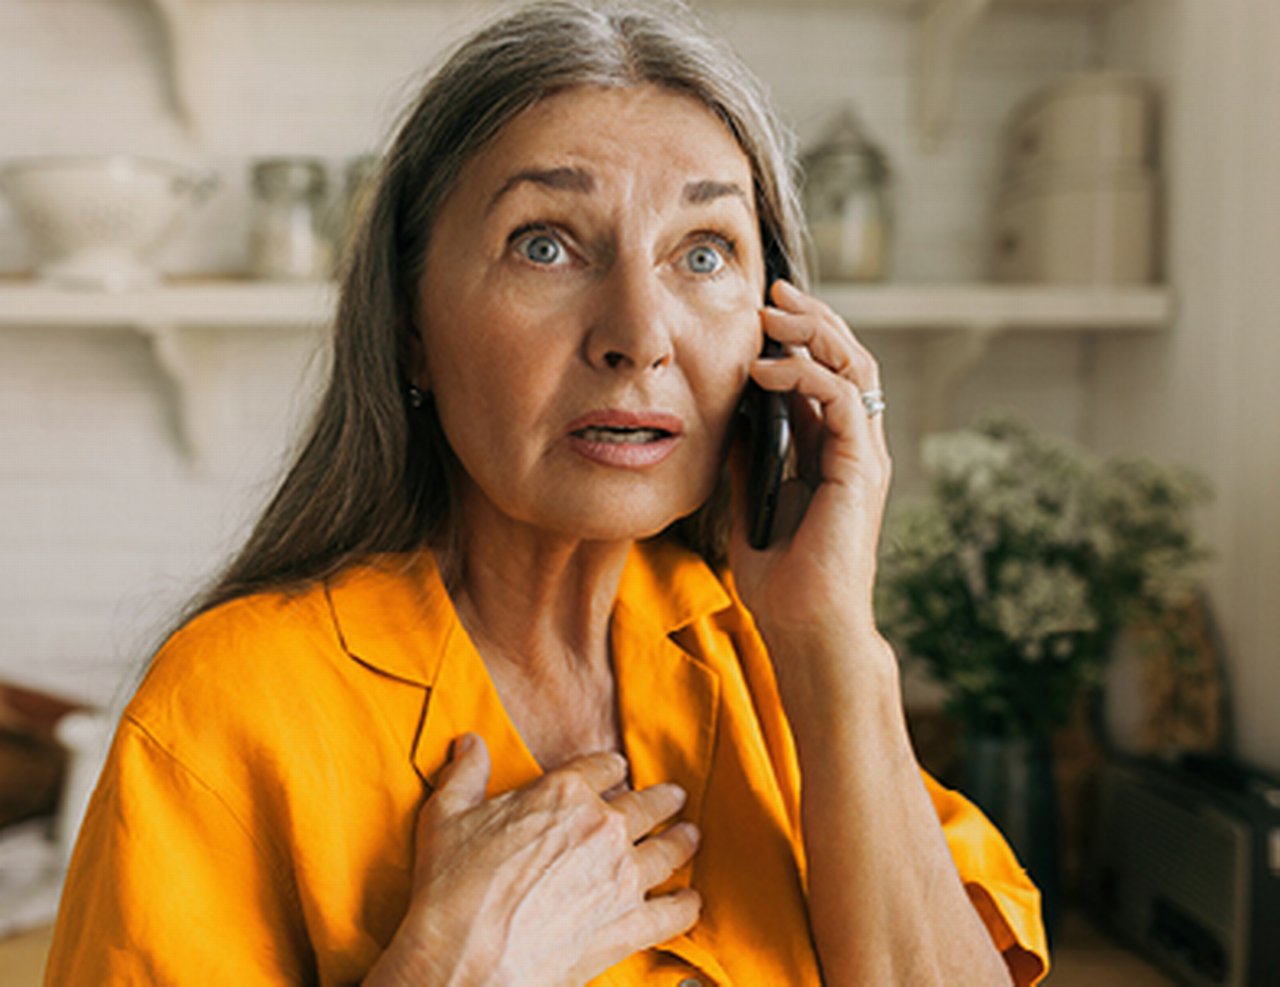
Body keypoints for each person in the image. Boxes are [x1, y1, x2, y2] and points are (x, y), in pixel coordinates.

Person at [46, 1, 1049, 983]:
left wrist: (833, 641)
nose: (639, 335)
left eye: (702, 253)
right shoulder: (231, 707)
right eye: (545, 243)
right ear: (408, 327)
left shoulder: (779, 666)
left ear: (771, 331)